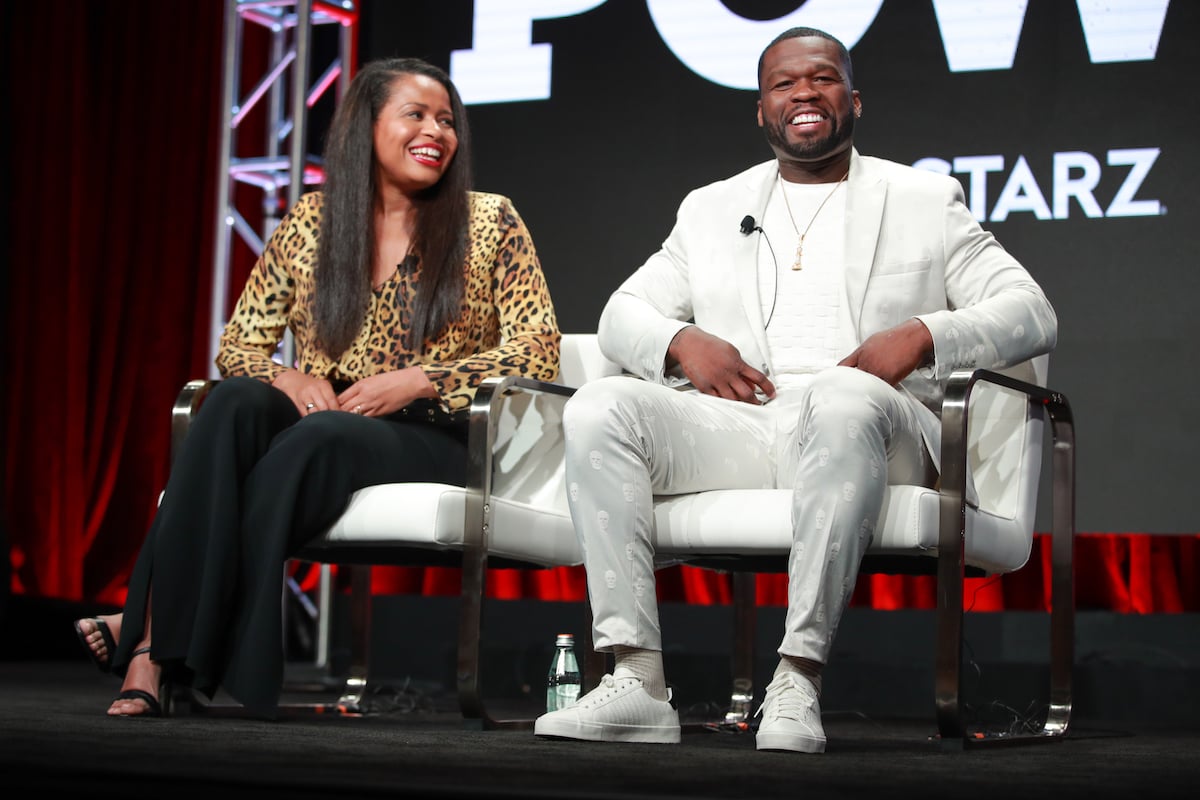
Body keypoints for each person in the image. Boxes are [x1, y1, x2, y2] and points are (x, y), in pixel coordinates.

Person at [532, 27, 1056, 753]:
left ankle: (797, 678)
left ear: (854, 100)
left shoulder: (924, 199)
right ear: (761, 109)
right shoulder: (712, 208)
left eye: (823, 79)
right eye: (784, 83)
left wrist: (920, 335)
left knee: (844, 396)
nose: (804, 93)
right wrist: (680, 342)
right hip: (751, 424)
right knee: (600, 408)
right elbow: (624, 312)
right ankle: (637, 680)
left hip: (879, 425)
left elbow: (1032, 311)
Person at [73, 57, 561, 718]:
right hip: (327, 419)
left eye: (447, 120)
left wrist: (423, 378)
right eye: (416, 114)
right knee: (234, 406)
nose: (438, 132)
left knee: (316, 438)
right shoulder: (311, 222)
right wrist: (290, 375)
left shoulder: (489, 222)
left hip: (439, 433)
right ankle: (156, 656)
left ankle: (149, 646)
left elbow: (539, 347)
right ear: (366, 126)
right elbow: (238, 344)